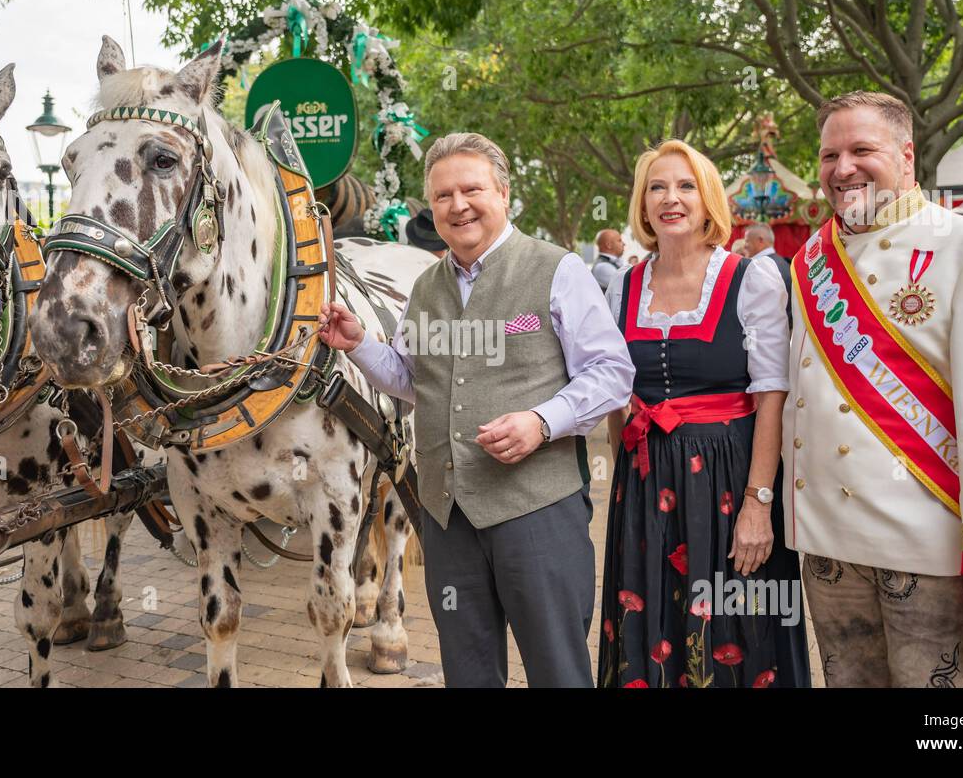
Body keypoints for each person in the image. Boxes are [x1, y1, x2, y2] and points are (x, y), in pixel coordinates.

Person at [319, 132, 634, 688]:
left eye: (471, 189)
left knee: (558, 669)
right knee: (466, 671)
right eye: (443, 196)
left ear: (503, 193)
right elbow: (415, 381)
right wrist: (360, 344)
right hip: (447, 518)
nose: (457, 205)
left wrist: (542, 421)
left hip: (537, 512)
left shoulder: (557, 270)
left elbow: (613, 375)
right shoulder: (426, 286)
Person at [788, 91, 963, 687]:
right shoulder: (811, 260)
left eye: (862, 150)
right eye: (829, 154)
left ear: (907, 155)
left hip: (930, 543)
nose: (843, 169)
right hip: (829, 546)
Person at [597, 140, 809, 689]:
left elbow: (771, 395)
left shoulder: (751, 279)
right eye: (658, 187)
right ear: (643, 205)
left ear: (708, 199)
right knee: (653, 618)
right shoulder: (625, 285)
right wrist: (625, 474)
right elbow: (619, 389)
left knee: (735, 624)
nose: (672, 198)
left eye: (686, 186)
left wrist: (759, 504)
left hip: (727, 479)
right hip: (646, 483)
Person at [744, 222, 792, 324]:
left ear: (760, 240)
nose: (745, 246)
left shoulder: (758, 267)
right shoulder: (785, 264)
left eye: (747, 241)